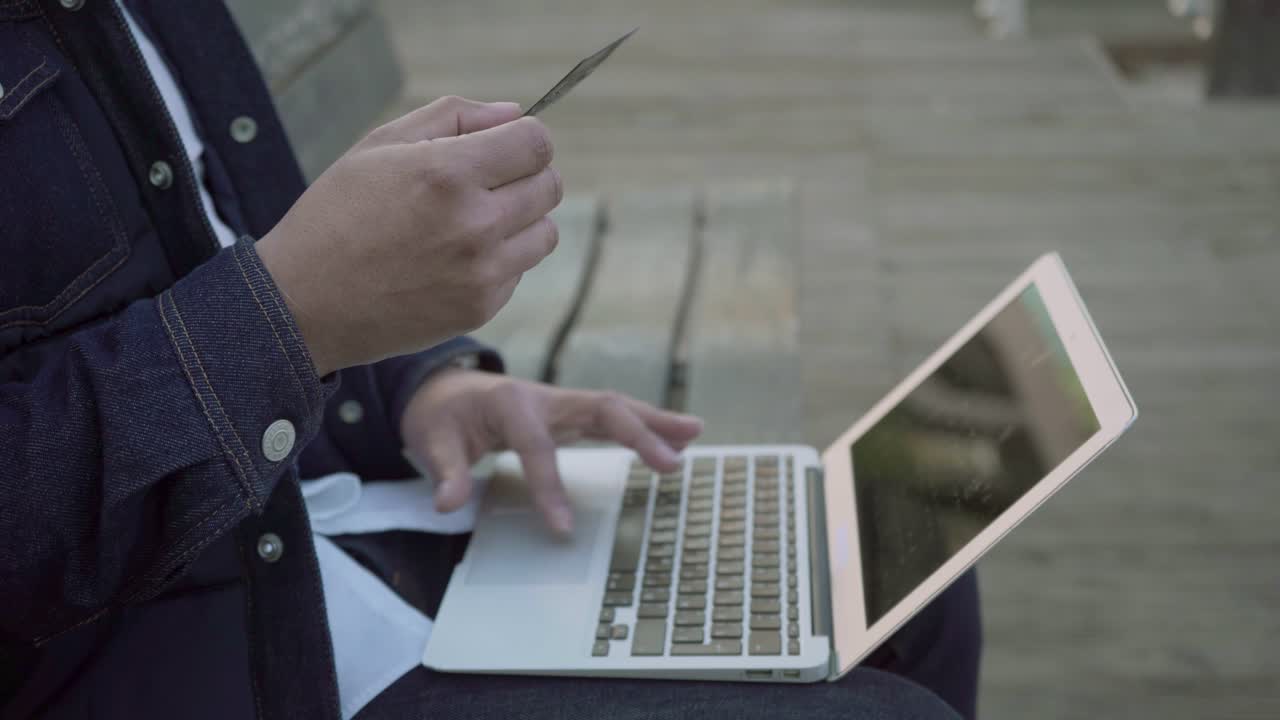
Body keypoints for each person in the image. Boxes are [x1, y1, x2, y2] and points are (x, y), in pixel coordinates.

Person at [0, 1, 981, 718]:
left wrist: (421, 386)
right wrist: (288, 320)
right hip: (194, 651)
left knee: (901, 560)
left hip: (330, 508)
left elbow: (224, 248)